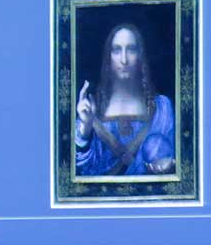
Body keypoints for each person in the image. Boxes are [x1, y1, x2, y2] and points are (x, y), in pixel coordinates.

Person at [74, 23, 176, 176]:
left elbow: (172, 160)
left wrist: (168, 166)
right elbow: (83, 170)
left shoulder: (163, 109)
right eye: (116, 50)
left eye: (131, 49)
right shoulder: (90, 109)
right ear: (108, 58)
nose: (124, 60)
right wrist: (85, 129)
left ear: (140, 56)